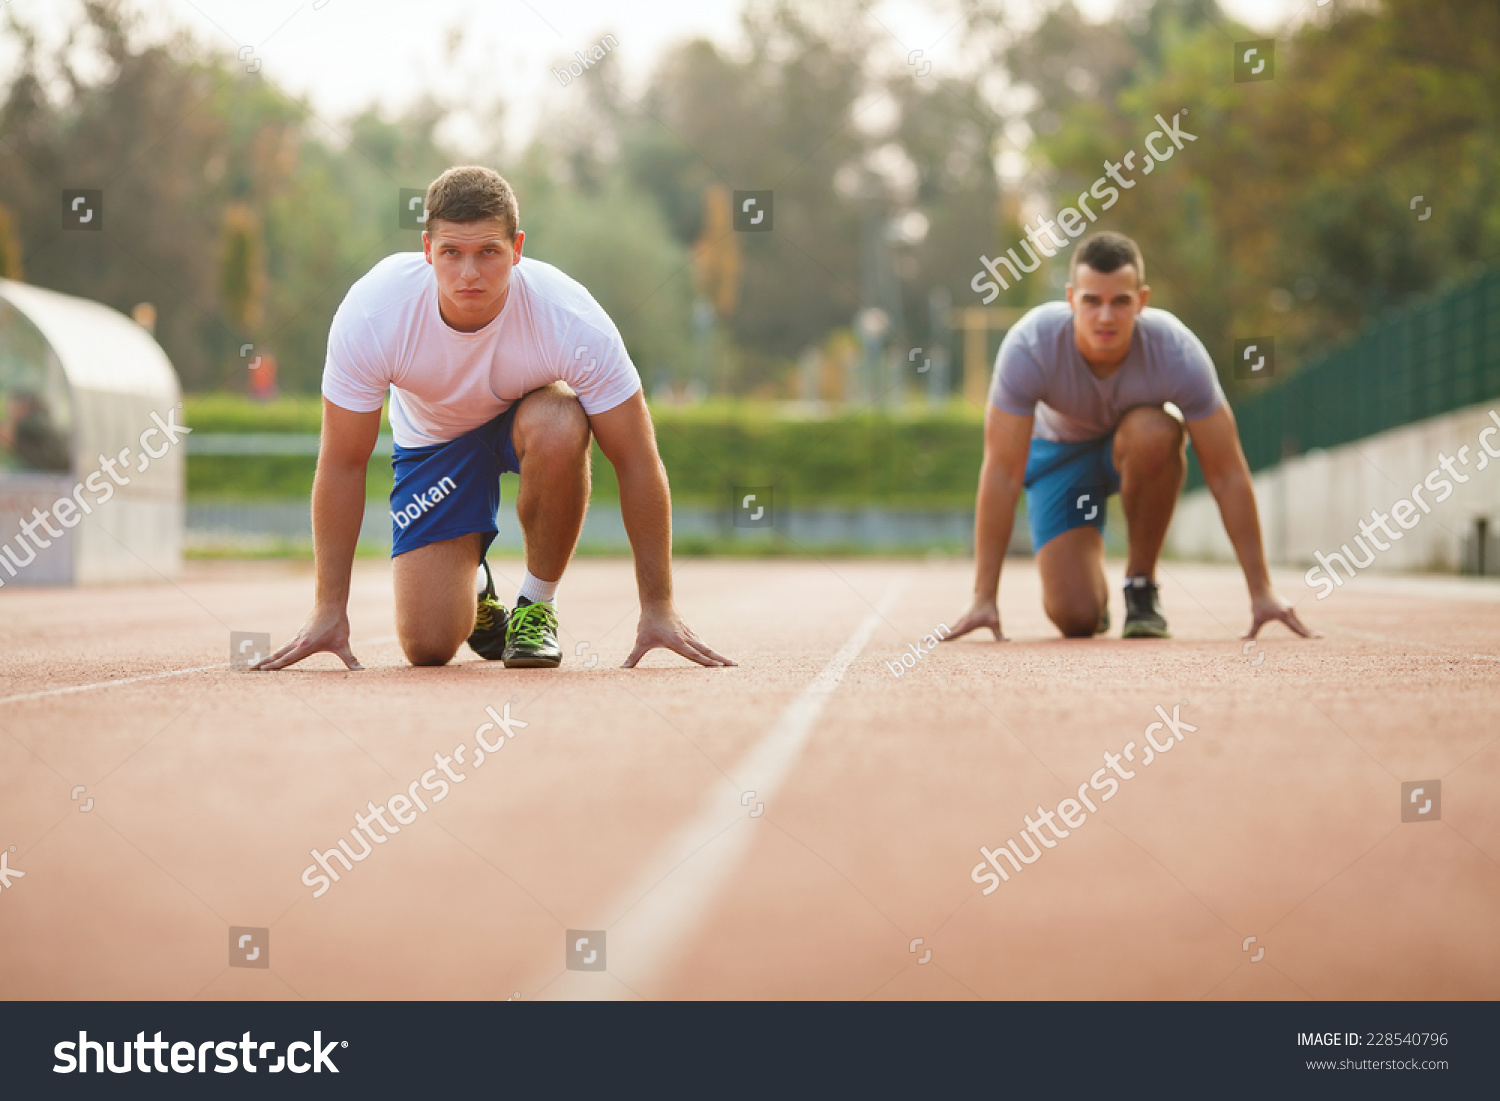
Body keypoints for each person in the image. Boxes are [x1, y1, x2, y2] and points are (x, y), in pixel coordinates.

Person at [256, 166, 733, 671]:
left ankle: (535, 608)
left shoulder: (569, 318)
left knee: (559, 422)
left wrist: (657, 606)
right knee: (428, 647)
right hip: (433, 446)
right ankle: (478, 584)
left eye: (489, 252)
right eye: (451, 253)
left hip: (526, 422)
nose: (469, 273)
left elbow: (637, 458)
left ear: (517, 248)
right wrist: (329, 608)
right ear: (426, 250)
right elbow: (343, 462)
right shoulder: (374, 314)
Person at [947, 231, 1315, 642]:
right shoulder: (1030, 346)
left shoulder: (1176, 352)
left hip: (1136, 448)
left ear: (1141, 301)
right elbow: (1002, 471)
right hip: (1059, 462)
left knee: (1156, 430)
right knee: (1075, 618)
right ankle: (1090, 580)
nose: (1106, 316)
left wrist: (1261, 591)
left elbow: (1227, 472)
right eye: (1092, 301)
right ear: (1071, 299)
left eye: (1120, 302)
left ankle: (1140, 586)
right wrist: (984, 596)